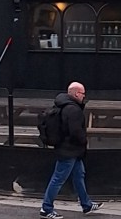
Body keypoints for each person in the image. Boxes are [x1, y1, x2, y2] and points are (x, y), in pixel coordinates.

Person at [40, 81, 102, 219]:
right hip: (70, 150)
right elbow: (76, 132)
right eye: (82, 93)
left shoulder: (61, 105)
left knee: (79, 175)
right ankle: (46, 208)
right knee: (58, 178)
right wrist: (84, 141)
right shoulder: (73, 110)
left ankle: (86, 204)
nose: (84, 96)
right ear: (76, 93)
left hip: (67, 148)